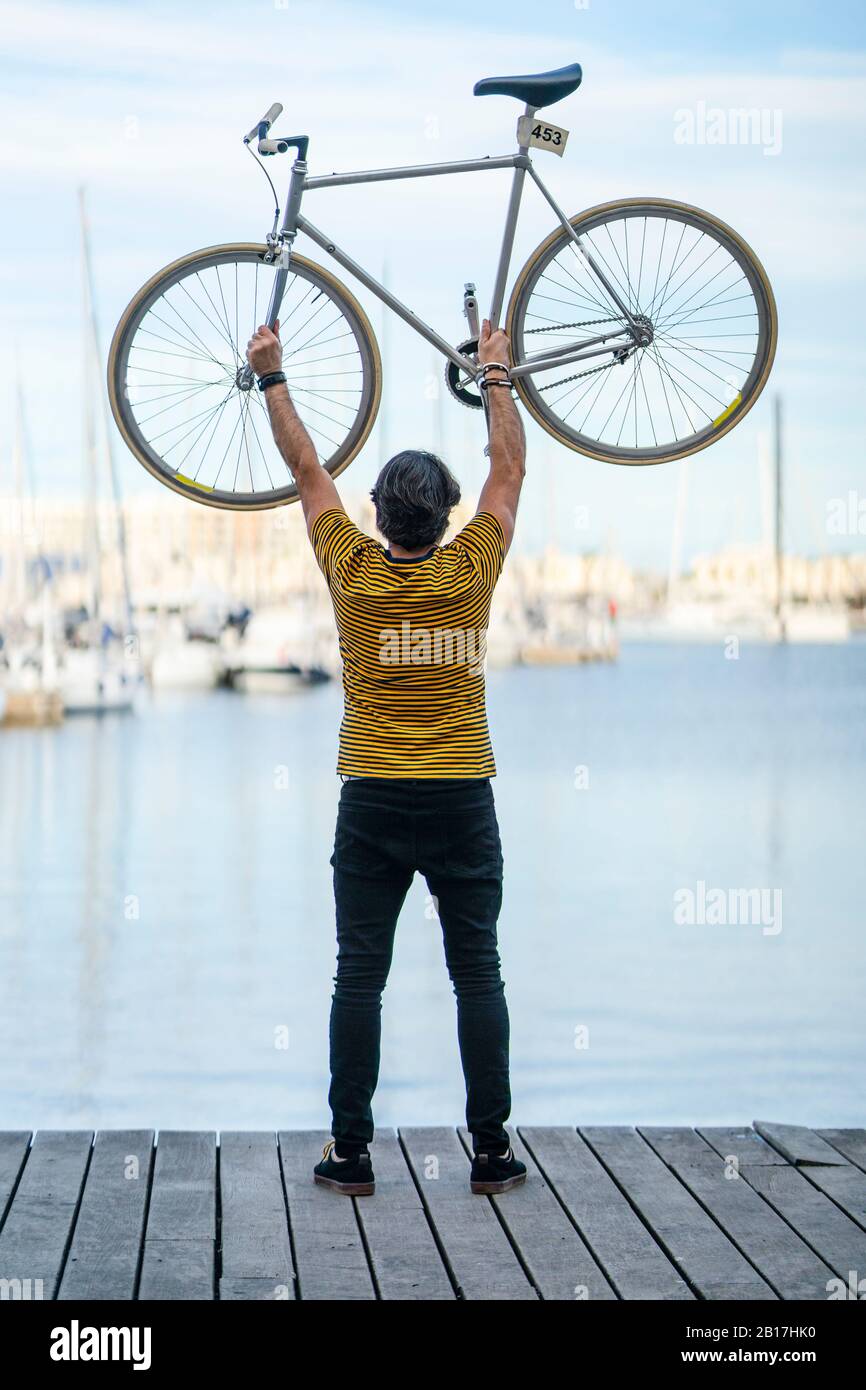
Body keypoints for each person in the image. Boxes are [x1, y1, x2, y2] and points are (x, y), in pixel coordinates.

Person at [246, 317, 526, 1195]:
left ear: (378, 515)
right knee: (476, 970)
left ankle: (352, 1154)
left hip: (371, 797)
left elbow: (306, 469)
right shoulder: (471, 570)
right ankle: (490, 1153)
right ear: (446, 518)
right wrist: (496, 374)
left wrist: (272, 376)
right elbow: (508, 470)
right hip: (460, 800)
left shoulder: (352, 573)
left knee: (358, 978)